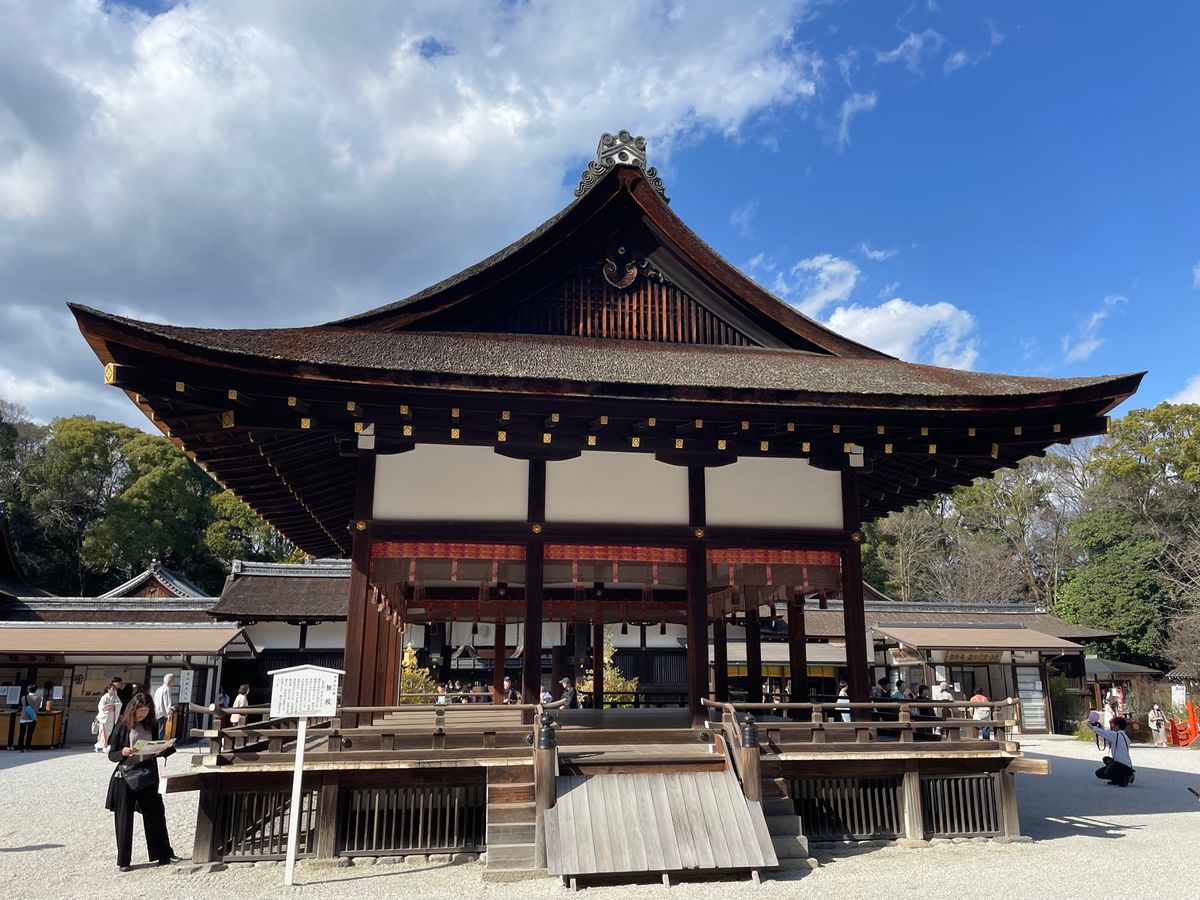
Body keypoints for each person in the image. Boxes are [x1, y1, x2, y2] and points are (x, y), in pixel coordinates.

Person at [105, 692, 179, 870]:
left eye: (145, 711)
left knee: (156, 814)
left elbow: (161, 745)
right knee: (124, 819)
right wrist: (123, 752)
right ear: (133, 709)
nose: (142, 715)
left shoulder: (151, 725)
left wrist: (162, 750)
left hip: (147, 773)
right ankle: (124, 861)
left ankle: (163, 854)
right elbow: (112, 754)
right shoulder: (122, 725)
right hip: (126, 776)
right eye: (139, 711)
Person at [1089, 712, 1135, 786]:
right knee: (1106, 759)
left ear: (1117, 726)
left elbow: (1101, 732)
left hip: (1120, 765)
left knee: (1101, 772)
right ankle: (1120, 777)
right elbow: (1105, 732)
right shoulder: (1125, 737)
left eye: (1112, 724)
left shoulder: (1115, 735)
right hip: (1128, 766)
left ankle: (1123, 778)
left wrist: (1090, 725)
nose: (1111, 726)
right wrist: (1099, 727)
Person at [96, 681, 122, 752]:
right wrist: (108, 706)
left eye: (114, 689)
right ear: (108, 689)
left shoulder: (115, 696)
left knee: (109, 731)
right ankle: (104, 745)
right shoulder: (104, 697)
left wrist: (114, 705)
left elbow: (119, 703)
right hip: (104, 717)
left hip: (111, 716)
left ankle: (100, 745)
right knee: (103, 732)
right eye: (112, 688)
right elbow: (101, 707)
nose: (114, 690)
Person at [18, 684, 38, 752]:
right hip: (32, 716)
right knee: (30, 733)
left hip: (23, 716)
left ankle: (20, 747)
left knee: (22, 733)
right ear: (36, 690)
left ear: (28, 690)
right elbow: (37, 707)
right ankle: (27, 747)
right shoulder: (38, 698)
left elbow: (23, 705)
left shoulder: (23, 698)